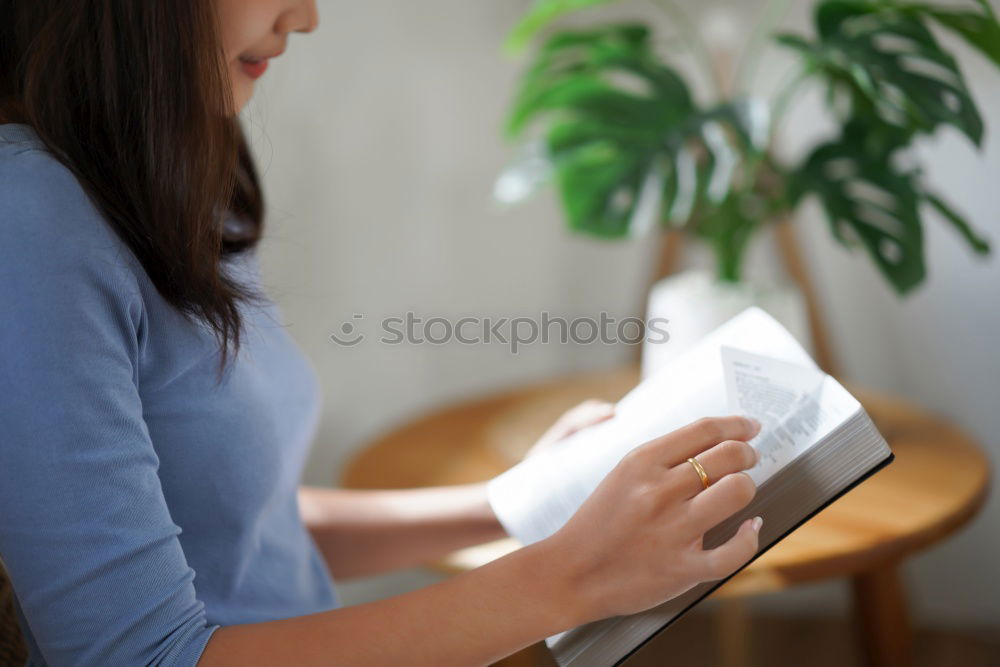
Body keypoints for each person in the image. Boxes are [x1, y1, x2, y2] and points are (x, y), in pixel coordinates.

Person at [0, 1, 764, 664]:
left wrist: (513, 502)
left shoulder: (166, 165)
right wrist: (572, 574)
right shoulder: (30, 219)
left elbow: (235, 529)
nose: (306, 17)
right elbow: (140, 655)